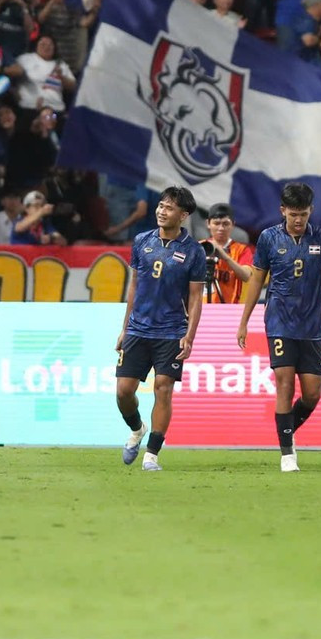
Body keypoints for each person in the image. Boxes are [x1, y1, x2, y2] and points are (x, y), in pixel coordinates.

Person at [236, 182, 321, 472]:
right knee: (285, 384)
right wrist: (244, 321)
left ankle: (285, 431)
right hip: (279, 321)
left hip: (312, 324)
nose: (298, 220)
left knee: (313, 392)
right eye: (293, 214)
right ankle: (287, 453)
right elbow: (257, 280)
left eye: (303, 214)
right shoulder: (268, 239)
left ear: (311, 211)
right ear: (283, 211)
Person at [115, 187, 211, 472]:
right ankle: (137, 428)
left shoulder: (193, 251)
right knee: (123, 391)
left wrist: (189, 337)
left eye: (169, 208)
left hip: (171, 331)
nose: (161, 211)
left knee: (163, 389)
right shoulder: (142, 241)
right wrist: (124, 328)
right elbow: (134, 286)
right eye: (160, 205)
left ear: (183, 215)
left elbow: (195, 298)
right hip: (138, 329)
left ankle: (152, 455)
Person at [200, 201, 252, 303]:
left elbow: (246, 276)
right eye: (216, 223)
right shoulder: (199, 247)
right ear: (208, 224)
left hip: (229, 308)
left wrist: (225, 257)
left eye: (225, 224)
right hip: (201, 307)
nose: (221, 228)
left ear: (233, 225)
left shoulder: (242, 250)